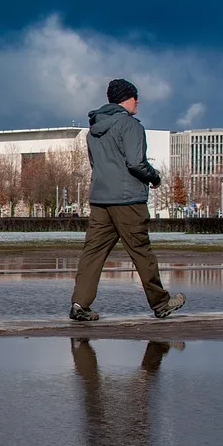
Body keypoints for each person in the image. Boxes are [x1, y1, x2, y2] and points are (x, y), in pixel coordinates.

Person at [70, 79, 186, 321]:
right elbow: (136, 162)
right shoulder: (130, 126)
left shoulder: (93, 132)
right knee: (141, 252)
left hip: (100, 200)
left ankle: (80, 304)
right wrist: (154, 177)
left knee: (92, 253)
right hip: (128, 200)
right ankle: (161, 303)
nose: (138, 102)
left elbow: (96, 165)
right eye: (136, 98)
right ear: (127, 98)